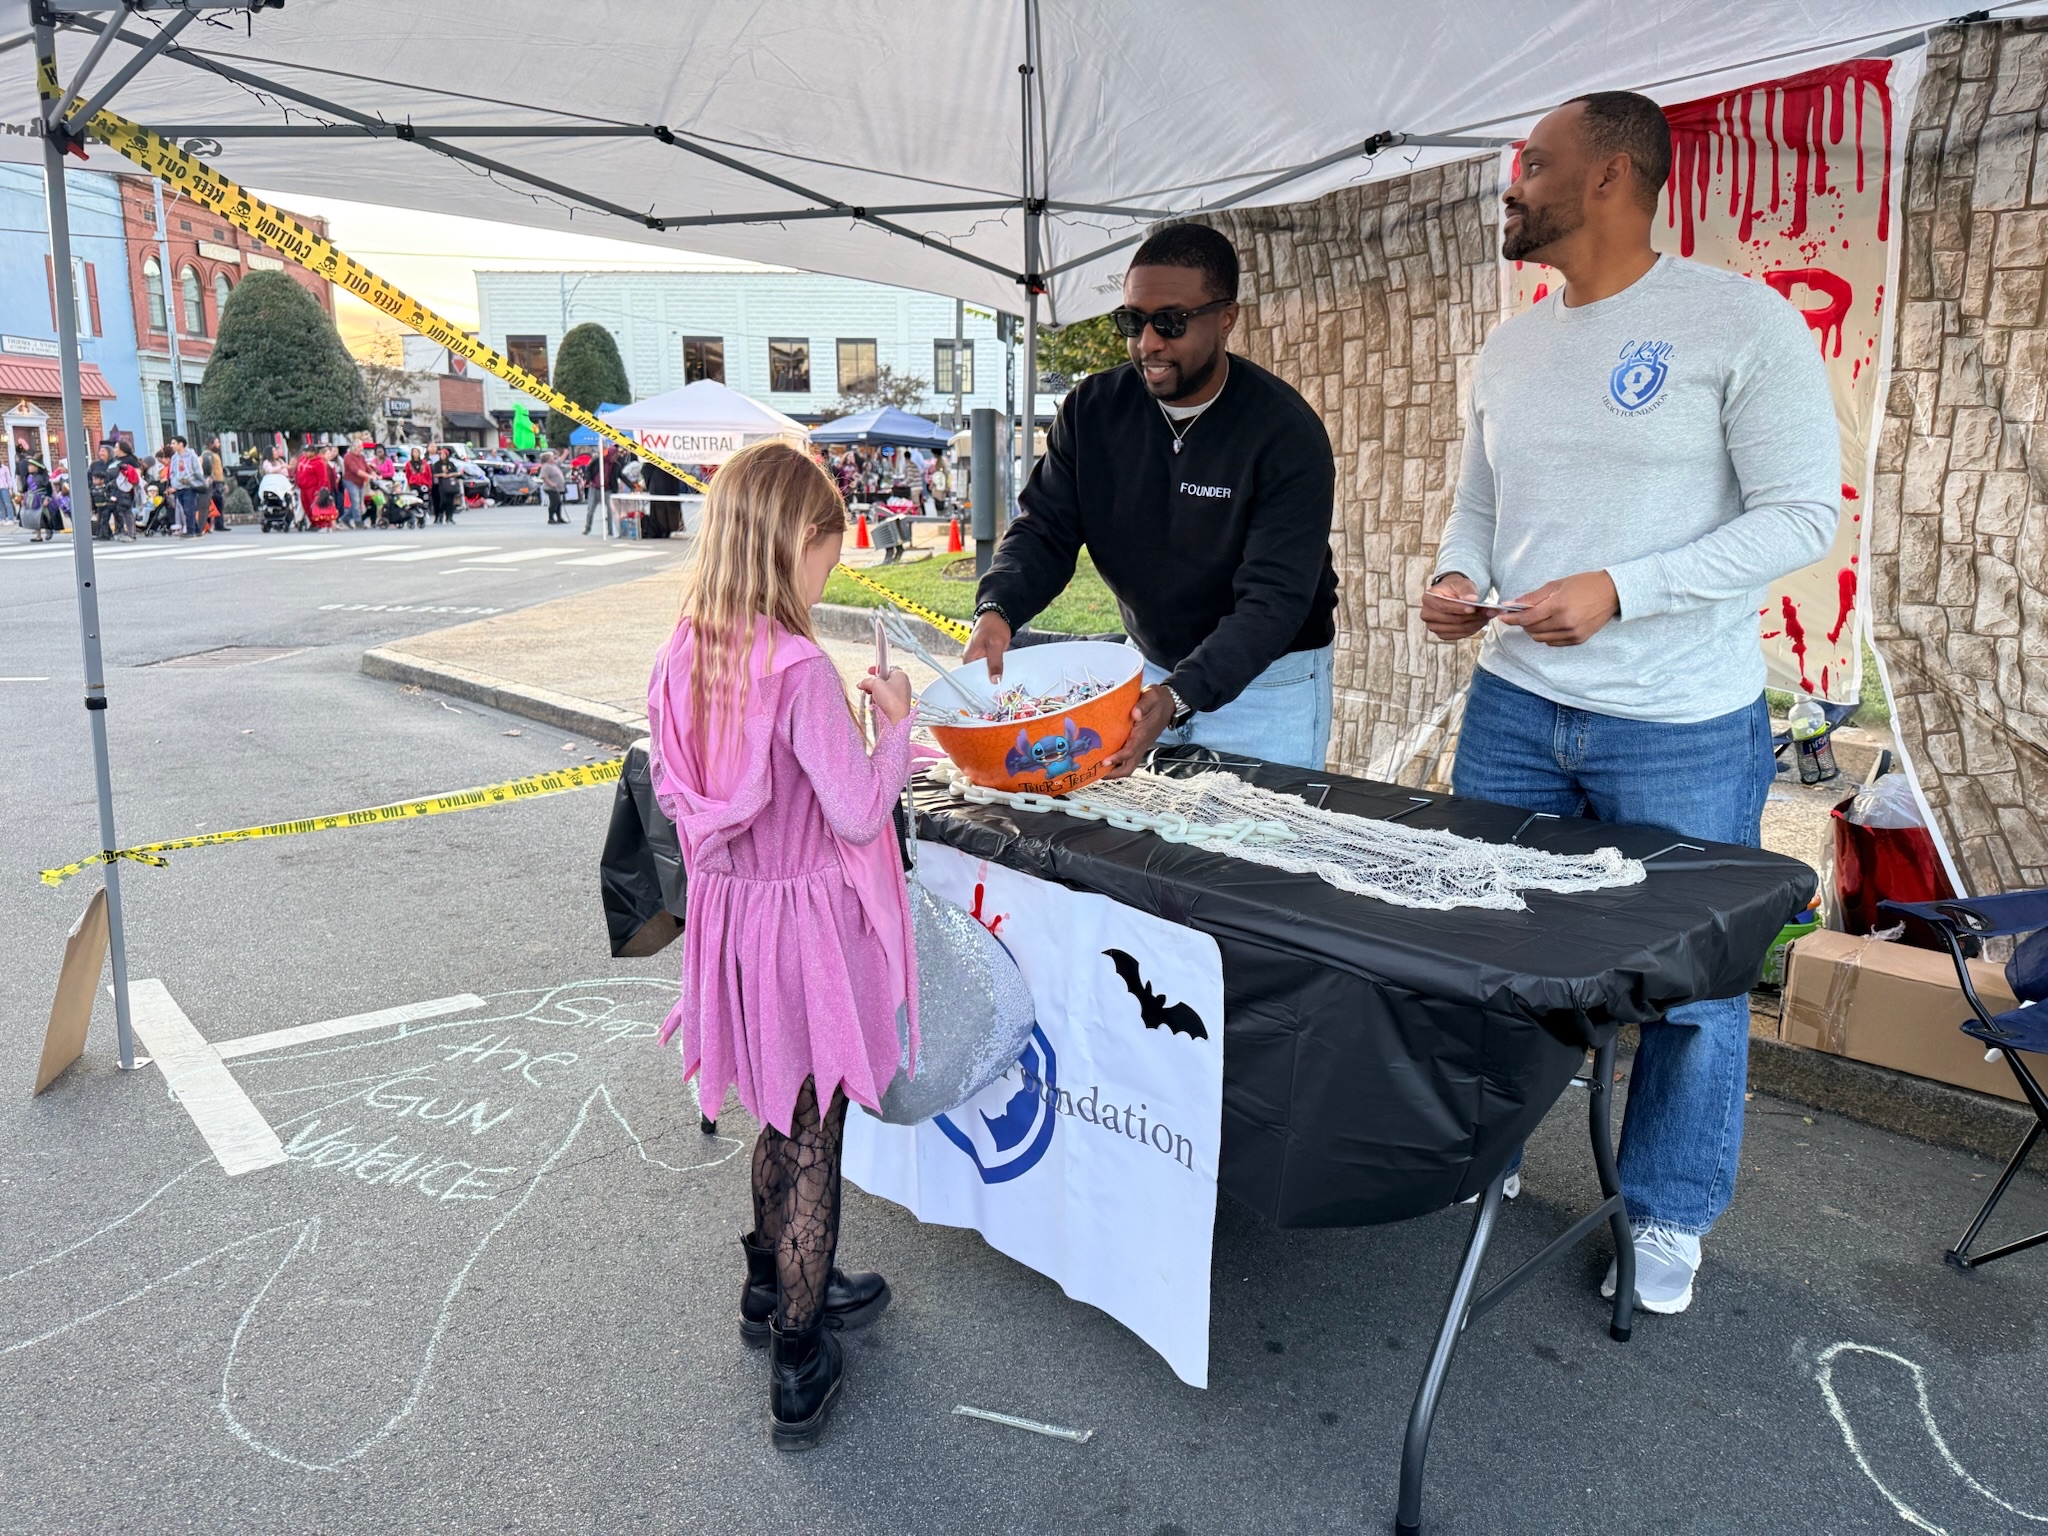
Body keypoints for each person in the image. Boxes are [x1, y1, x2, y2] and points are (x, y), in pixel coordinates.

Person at [1419, 93, 1838, 1314]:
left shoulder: (1737, 323)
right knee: (1484, 945)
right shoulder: (1510, 348)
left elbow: (1800, 516)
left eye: (1532, 165)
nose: (1511, 187)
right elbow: (1480, 511)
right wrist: (1457, 579)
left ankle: (1666, 1208)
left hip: (1681, 725)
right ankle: (1483, 1147)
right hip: (1512, 705)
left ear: (1608, 176)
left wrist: (1623, 589)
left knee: (1689, 989)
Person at [645, 440, 909, 1449]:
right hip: (801, 928)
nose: (834, 566)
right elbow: (858, 813)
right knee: (813, 1131)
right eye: (831, 547)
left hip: (732, 923)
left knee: (776, 1102)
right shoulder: (799, 671)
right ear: (798, 538)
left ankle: (770, 1282)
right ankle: (800, 1351)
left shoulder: (684, 652)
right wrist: (894, 728)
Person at [965, 222, 1340, 774]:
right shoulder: (1092, 410)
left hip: (1268, 685)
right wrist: (998, 609)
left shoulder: (1285, 433)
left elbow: (1274, 599)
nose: (1148, 343)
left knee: (1255, 831)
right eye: (1132, 321)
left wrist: (1181, 694)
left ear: (1226, 318)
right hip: (1149, 670)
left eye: (1171, 322)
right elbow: (1045, 529)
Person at [167, 435, 206, 538]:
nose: (171, 445)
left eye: (174, 443)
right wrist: (174, 483)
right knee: (186, 510)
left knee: (189, 509)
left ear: (181, 444)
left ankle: (191, 531)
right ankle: (197, 530)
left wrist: (191, 480)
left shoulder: (191, 456)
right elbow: (172, 472)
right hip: (179, 487)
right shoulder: (174, 458)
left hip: (190, 487)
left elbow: (198, 471)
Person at [294, 445, 334, 530]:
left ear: (313, 452)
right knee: (306, 506)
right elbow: (298, 471)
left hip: (312, 488)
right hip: (303, 488)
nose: (305, 453)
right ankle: (312, 523)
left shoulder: (319, 463)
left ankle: (320, 524)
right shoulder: (302, 459)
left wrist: (319, 490)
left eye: (307, 451)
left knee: (314, 507)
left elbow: (322, 478)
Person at [87, 443, 116, 541]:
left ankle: (114, 532)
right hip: (97, 493)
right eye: (100, 451)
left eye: (103, 451)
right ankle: (104, 533)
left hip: (110, 492)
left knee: (109, 515)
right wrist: (92, 486)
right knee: (101, 517)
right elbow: (88, 477)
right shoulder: (94, 465)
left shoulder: (114, 464)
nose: (101, 453)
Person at [340, 440, 371, 528]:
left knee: (357, 503)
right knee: (356, 501)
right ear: (354, 448)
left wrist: (374, 474)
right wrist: (368, 476)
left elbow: (367, 467)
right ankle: (358, 521)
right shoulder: (348, 456)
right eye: (359, 446)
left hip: (360, 481)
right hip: (350, 481)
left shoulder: (361, 457)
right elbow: (356, 470)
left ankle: (345, 518)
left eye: (361, 446)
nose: (361, 448)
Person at [430, 444, 461, 523]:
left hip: (450, 484)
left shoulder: (450, 464)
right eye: (441, 454)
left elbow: (456, 472)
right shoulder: (437, 464)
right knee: (442, 501)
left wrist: (450, 474)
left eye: (444, 454)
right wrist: (441, 475)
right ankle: (440, 515)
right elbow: (434, 474)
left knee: (450, 501)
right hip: (440, 485)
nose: (442, 456)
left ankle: (449, 516)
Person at [536, 450, 567, 524]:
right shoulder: (546, 467)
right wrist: (551, 483)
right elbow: (544, 477)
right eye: (552, 457)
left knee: (558, 502)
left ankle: (559, 517)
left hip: (558, 488)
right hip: (550, 488)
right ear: (548, 459)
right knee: (554, 502)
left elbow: (559, 460)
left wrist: (565, 453)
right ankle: (551, 518)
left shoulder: (553, 464)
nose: (553, 458)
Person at [203, 437, 227, 531]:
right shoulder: (207, 454)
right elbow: (207, 468)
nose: (219, 444)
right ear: (211, 444)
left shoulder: (215, 454)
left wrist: (224, 482)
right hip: (213, 482)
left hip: (219, 481)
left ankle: (219, 524)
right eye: (217, 442)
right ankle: (208, 524)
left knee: (219, 503)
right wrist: (210, 478)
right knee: (211, 503)